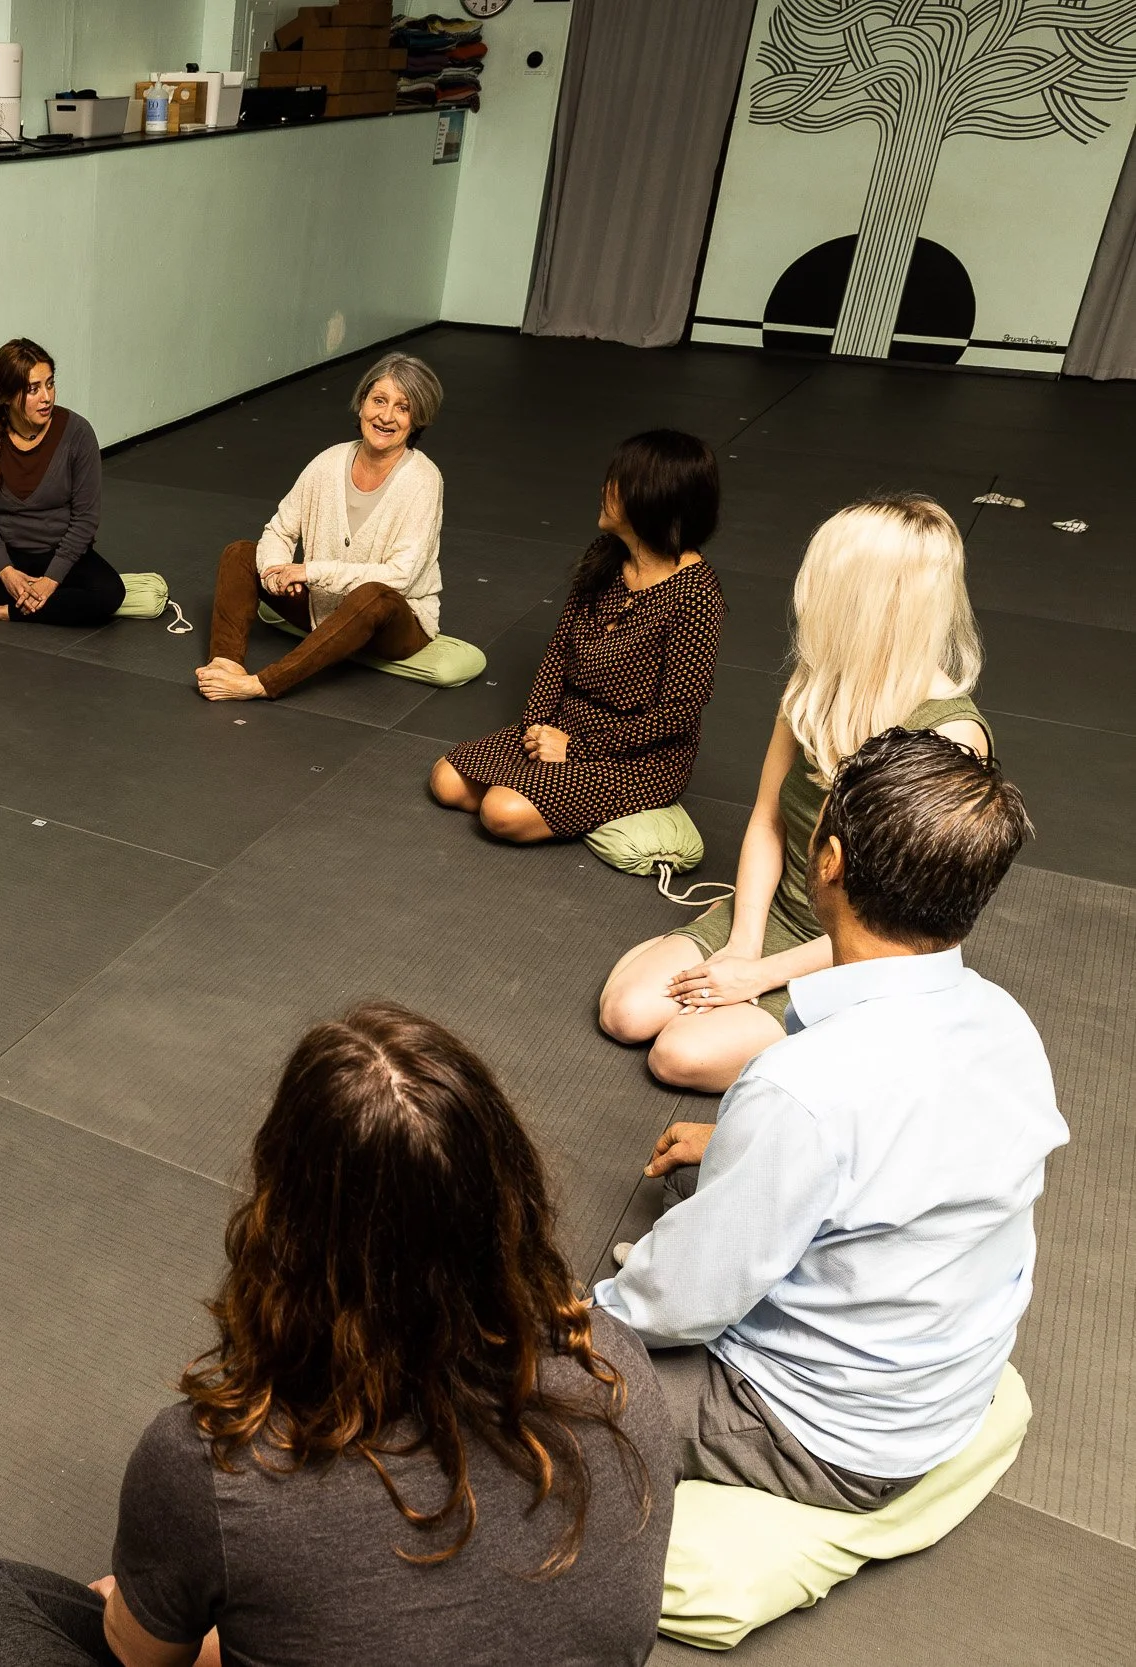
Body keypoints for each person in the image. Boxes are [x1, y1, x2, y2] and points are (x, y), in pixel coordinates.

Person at [0, 1003, 668, 1667]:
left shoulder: (213, 1461)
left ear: (284, 1220)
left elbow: (139, 1658)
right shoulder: (616, 1358)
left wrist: (192, 1617)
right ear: (508, 1191)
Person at [598, 729, 1058, 1511]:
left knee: (541, 1381)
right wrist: (737, 1147)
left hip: (832, 1439)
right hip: (946, 1392)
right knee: (707, 1194)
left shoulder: (799, 1086)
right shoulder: (1007, 1021)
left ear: (830, 861)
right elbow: (909, 1146)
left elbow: (673, 1306)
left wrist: (574, 1323)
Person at [598, 493, 989, 1091]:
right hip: (776, 912)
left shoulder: (951, 735)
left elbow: (901, 923)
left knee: (679, 1056)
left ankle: (864, 1027)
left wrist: (760, 977)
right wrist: (743, 944)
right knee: (625, 1014)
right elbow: (767, 819)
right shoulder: (815, 685)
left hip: (861, 952)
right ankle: (723, 935)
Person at [432, 431, 726, 843]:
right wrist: (535, 727)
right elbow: (558, 652)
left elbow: (677, 714)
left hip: (637, 756)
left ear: (653, 496)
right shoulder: (604, 554)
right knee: (446, 781)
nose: (605, 488)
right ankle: (552, 800)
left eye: (618, 481)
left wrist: (576, 751)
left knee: (500, 812)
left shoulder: (696, 594)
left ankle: (589, 808)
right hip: (563, 725)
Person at [196, 354, 445, 701]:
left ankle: (263, 684)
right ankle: (225, 665)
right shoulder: (329, 461)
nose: (386, 416)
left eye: (402, 408)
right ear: (362, 403)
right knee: (240, 554)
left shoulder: (423, 480)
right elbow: (280, 529)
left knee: (373, 595)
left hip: (395, 622)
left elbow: (399, 578)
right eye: (379, 400)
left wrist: (309, 571)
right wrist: (274, 570)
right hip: (324, 608)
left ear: (416, 420)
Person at [0, 339, 124, 628]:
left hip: (59, 554)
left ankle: (2, 610)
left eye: (50, 384)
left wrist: (50, 581)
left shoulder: (78, 433)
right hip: (6, 555)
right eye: (33, 389)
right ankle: (42, 604)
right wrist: (6, 572)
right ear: (6, 395)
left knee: (109, 594)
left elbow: (85, 520)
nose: (47, 397)